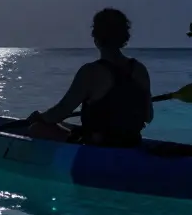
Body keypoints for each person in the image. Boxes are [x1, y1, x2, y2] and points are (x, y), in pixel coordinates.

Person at [25, 8, 153, 147]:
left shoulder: (90, 72)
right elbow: (148, 116)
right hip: (132, 142)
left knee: (36, 128)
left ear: (96, 37)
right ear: (124, 37)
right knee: (63, 125)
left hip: (98, 146)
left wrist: (39, 117)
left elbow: (61, 111)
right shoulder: (140, 69)